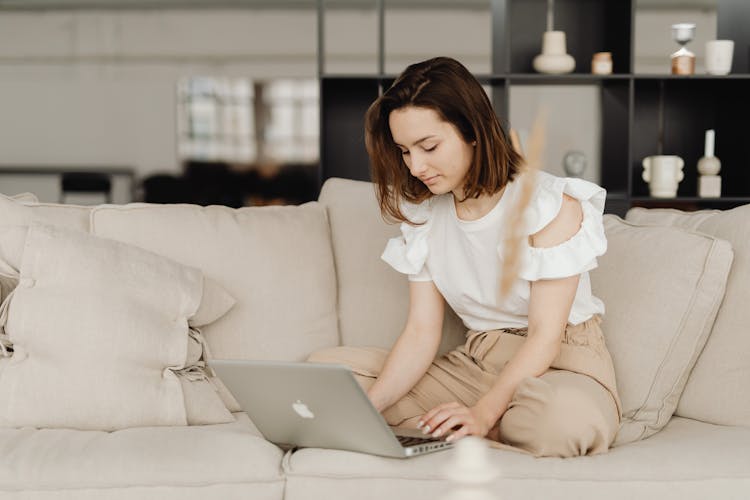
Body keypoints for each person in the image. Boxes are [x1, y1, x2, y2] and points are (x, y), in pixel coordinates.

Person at [308, 57, 621, 458]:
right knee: (328, 375)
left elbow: (545, 336)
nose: (416, 166)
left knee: (560, 424)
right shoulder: (426, 217)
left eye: (429, 146)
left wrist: (482, 413)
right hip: (477, 363)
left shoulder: (546, 205)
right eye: (404, 151)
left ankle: (482, 426)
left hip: (561, 362)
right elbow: (422, 333)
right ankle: (480, 430)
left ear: (472, 131)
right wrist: (368, 408)